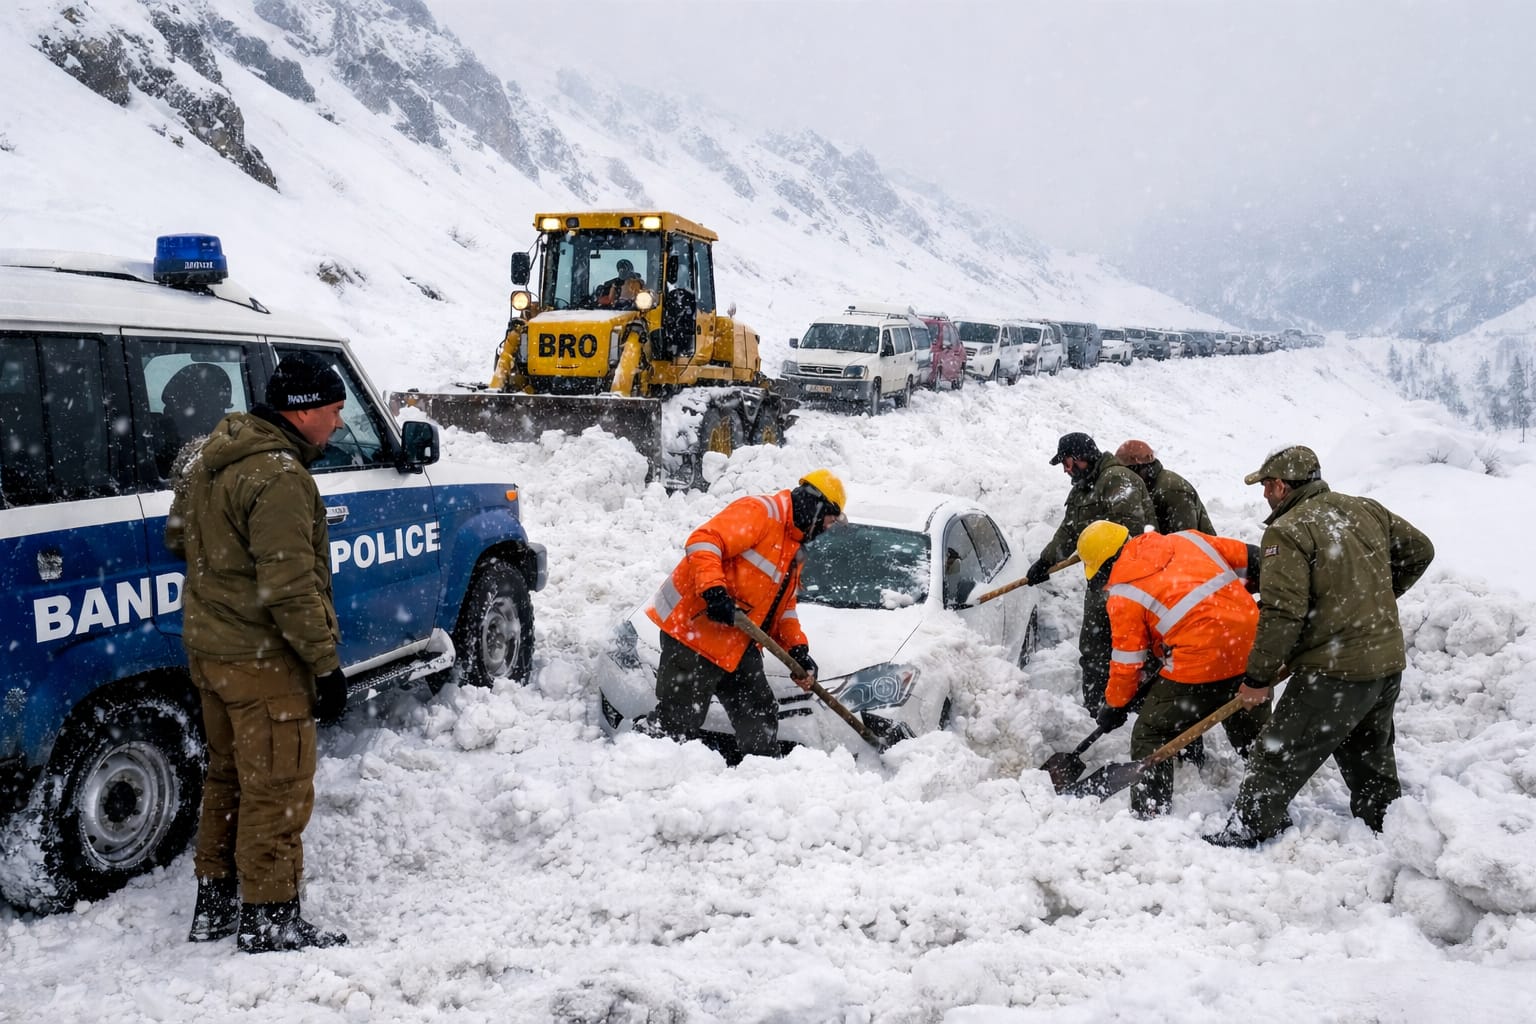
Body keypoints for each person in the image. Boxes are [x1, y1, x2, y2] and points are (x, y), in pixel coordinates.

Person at [166, 351, 351, 952]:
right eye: (334, 409)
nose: (339, 422)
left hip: (212, 653)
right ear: (302, 411)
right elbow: (290, 588)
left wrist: (227, 574)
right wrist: (325, 666)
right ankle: (270, 918)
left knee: (228, 777)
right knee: (277, 784)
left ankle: (216, 904)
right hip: (262, 660)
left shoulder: (209, 458)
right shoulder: (280, 477)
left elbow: (178, 538)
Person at [1205, 445, 1435, 848]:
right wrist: (1372, 600)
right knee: (1370, 752)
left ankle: (1250, 828)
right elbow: (1421, 551)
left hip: (1335, 671)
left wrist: (1257, 678)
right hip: (1385, 663)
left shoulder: (1287, 530)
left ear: (1281, 486)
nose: (1264, 494)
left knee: (1276, 752)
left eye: (1266, 486)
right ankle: (1384, 824)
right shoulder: (1366, 509)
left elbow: (1282, 613)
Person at [643, 470, 847, 760]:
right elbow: (704, 541)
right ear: (816, 506)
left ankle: (764, 770)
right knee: (679, 719)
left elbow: (783, 608)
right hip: (695, 632)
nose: (827, 528)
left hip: (737, 640)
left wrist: (797, 650)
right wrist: (714, 591)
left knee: (759, 712)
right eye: (829, 520)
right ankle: (642, 765)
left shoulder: (794, 548)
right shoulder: (760, 513)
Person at [1077, 520, 1270, 817]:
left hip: (1200, 665)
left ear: (1103, 566)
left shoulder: (1123, 593)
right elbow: (1257, 560)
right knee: (1249, 726)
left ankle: (1150, 814)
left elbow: (1127, 663)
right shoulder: (1189, 540)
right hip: (1254, 650)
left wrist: (1114, 705)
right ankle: (1268, 803)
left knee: (1151, 731)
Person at [1024, 432, 1156, 714]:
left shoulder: (1117, 479)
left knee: (1137, 646)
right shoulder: (1082, 489)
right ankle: (1095, 710)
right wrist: (1046, 561)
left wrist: (1109, 560)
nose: (1065, 470)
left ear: (1080, 457)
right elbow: (1070, 530)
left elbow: (1131, 529)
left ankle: (1145, 710)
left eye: (1067, 462)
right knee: (1094, 647)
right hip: (1101, 581)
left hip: (1134, 582)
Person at [1115, 439, 1215, 535]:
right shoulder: (1147, 485)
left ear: (1138, 469)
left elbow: (1185, 538)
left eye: (1125, 471)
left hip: (1198, 546)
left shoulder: (1172, 491)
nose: (1124, 477)